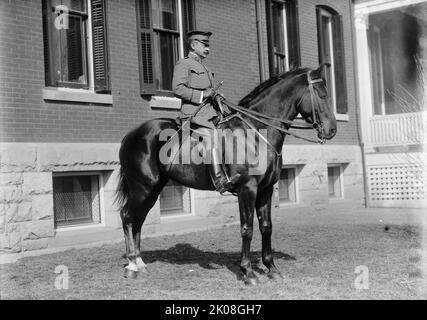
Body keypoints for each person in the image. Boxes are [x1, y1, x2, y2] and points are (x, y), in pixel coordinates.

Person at [172, 30, 239, 194]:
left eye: (208, 45)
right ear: (193, 45)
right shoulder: (184, 64)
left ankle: (234, 172)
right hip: (193, 115)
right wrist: (203, 94)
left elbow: (209, 92)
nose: (207, 48)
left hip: (210, 114)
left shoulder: (205, 67)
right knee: (211, 137)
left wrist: (216, 96)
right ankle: (219, 180)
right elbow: (177, 89)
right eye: (204, 44)